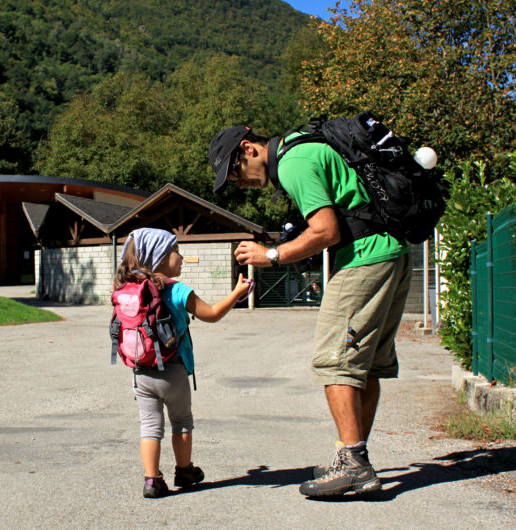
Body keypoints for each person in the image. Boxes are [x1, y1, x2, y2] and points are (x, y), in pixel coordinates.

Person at [208, 125, 411, 497]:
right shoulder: (304, 148)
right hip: (391, 254)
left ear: (248, 149)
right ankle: (352, 457)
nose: (238, 183)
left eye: (233, 172)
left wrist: (270, 255)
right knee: (364, 367)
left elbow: (326, 231)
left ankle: (353, 464)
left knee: (334, 361)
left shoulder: (293, 162)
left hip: (364, 258)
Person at [115, 228, 251, 498]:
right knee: (182, 422)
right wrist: (237, 293)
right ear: (160, 258)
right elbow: (211, 314)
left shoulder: (128, 290)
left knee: (149, 426)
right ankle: (185, 470)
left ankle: (152, 480)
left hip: (140, 371)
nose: (180, 256)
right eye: (176, 251)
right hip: (173, 369)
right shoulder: (177, 290)